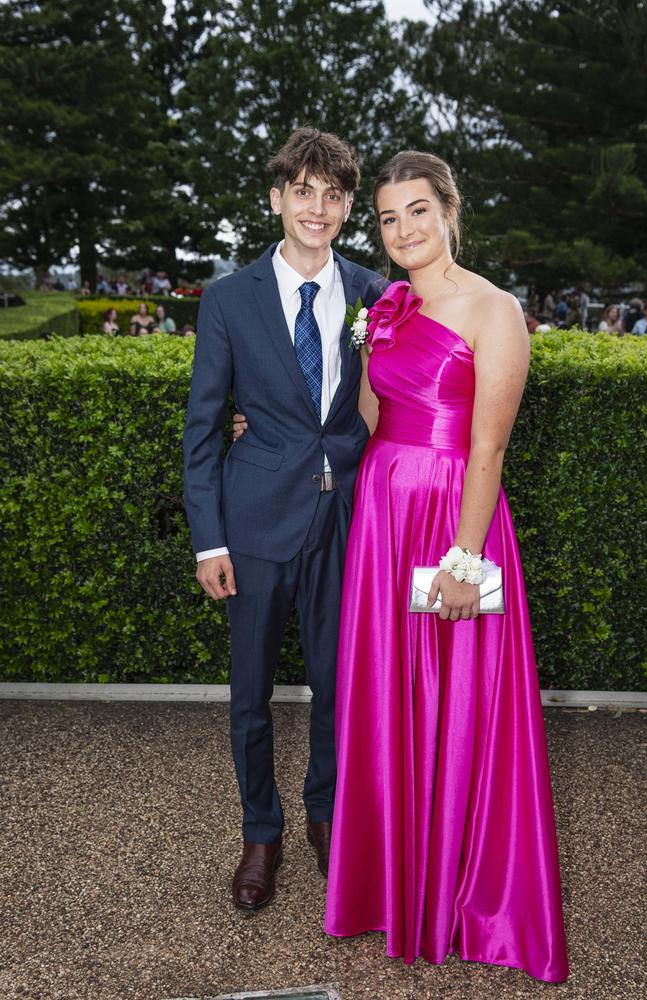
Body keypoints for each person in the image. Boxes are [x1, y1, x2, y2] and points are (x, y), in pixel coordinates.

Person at [321, 152, 569, 983]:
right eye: (388, 219)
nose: (403, 231)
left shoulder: (493, 310)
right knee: (391, 698)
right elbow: (369, 411)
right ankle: (393, 887)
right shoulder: (381, 308)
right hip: (384, 515)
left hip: (451, 514)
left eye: (418, 211)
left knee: (456, 698)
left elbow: (488, 445)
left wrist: (465, 560)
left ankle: (466, 901)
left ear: (450, 209)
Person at [182, 128, 384, 914]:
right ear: (277, 199)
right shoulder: (230, 299)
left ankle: (325, 818)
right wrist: (210, 539)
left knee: (341, 688)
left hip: (349, 521)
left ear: (344, 209)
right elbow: (204, 426)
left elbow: (393, 399)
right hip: (256, 524)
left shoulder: (374, 292)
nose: (318, 207)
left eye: (333, 194)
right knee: (251, 695)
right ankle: (260, 833)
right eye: (303, 190)